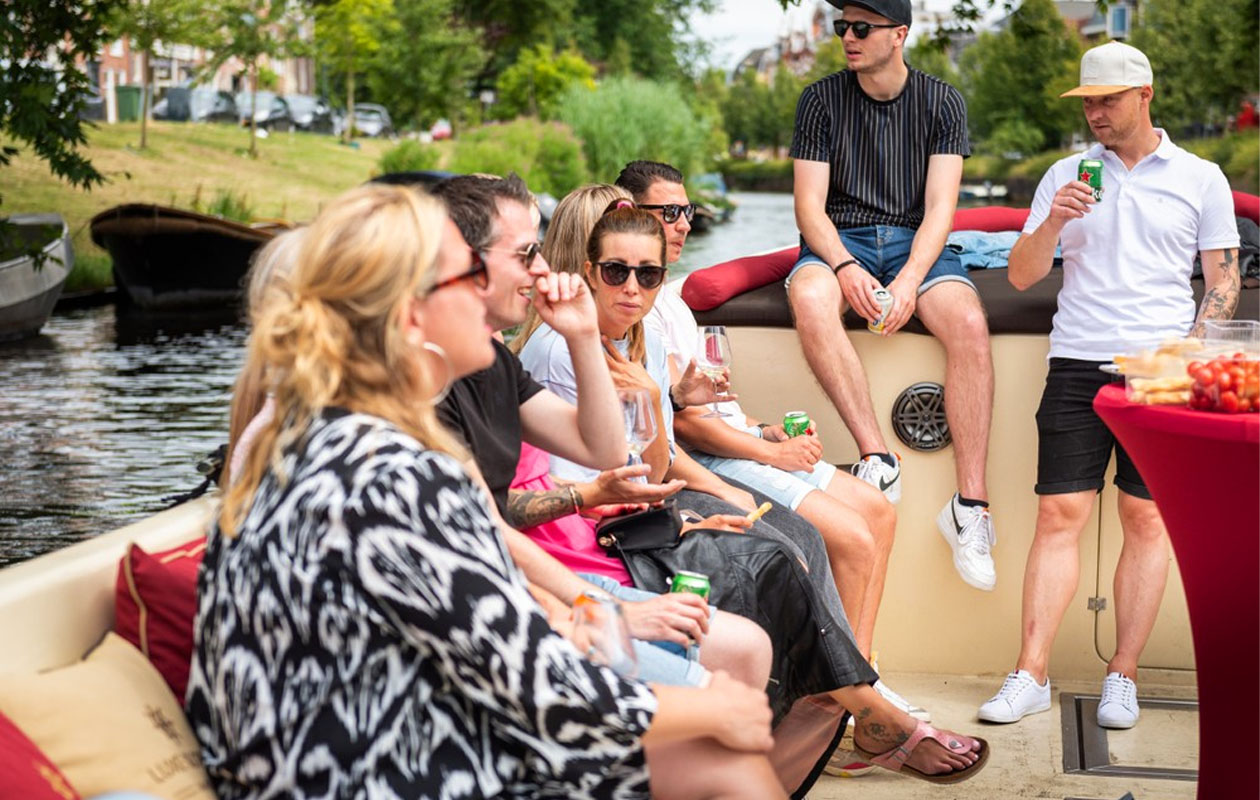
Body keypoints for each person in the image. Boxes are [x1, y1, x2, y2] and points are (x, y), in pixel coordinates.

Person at [186, 183, 788, 799]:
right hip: (360, 769)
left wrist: (581, 621)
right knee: (724, 758)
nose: (502, 286)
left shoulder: (318, 431)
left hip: (353, 741)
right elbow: (542, 688)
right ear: (409, 313)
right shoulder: (388, 470)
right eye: (467, 277)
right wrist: (718, 711)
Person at [518, 194, 990, 785]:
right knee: (779, 554)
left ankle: (848, 706)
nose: (633, 287)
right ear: (587, 269)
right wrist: (712, 474)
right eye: (616, 271)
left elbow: (655, 459)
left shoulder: (643, 341)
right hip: (609, 519)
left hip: (645, 497)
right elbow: (614, 472)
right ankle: (867, 712)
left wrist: (655, 398)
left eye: (649, 274)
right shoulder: (559, 349)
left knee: (802, 542)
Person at [429, 174, 776, 691]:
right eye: (527, 254)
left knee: (748, 647)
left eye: (541, 251)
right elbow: (485, 532)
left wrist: (584, 333)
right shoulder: (425, 379)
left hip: (524, 585)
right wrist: (602, 611)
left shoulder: (493, 359)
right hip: (487, 607)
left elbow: (606, 447)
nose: (543, 270)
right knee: (715, 695)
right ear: (466, 263)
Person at [981, 41, 1241, 729]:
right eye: (1087, 101)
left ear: (1144, 95)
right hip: (1077, 360)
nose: (1094, 112)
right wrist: (1057, 220)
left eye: (1107, 100)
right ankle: (1029, 673)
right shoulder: (1065, 174)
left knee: (1146, 519)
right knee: (1058, 516)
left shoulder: (1201, 176)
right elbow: (1022, 277)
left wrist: (1195, 348)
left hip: (1161, 372)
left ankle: (1121, 674)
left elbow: (1224, 279)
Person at [616, 161, 913, 716]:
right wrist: (771, 452)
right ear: (630, 216)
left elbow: (695, 401)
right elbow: (680, 423)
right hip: (712, 455)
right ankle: (840, 698)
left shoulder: (673, 300)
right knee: (849, 537)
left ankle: (860, 677)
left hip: (734, 437)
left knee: (879, 511)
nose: (683, 224)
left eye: (688, 213)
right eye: (670, 213)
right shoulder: (642, 310)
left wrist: (761, 429)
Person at [789, 0, 998, 592]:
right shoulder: (819, 100)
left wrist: (907, 279)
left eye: (861, 28)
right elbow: (809, 206)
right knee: (809, 298)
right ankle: (877, 456)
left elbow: (941, 211)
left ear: (899, 34)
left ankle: (970, 508)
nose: (847, 38)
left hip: (918, 244)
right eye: (841, 28)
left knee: (967, 323)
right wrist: (843, 264)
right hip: (840, 240)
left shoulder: (943, 101)